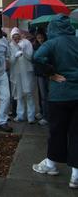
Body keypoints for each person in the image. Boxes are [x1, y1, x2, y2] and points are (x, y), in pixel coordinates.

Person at [32, 14, 78, 189]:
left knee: (57, 130)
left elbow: (36, 58)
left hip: (59, 96)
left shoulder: (52, 43)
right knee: (76, 133)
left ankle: (51, 164)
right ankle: (75, 175)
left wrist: (50, 73)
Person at [9, 27, 36, 124]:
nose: (16, 40)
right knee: (19, 95)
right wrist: (15, 56)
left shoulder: (27, 43)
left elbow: (30, 57)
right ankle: (20, 115)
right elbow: (10, 62)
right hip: (17, 73)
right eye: (14, 38)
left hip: (27, 72)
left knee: (28, 94)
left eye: (18, 37)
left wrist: (23, 51)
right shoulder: (10, 46)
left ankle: (31, 116)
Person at [33, 29, 49, 125]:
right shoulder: (35, 46)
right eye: (38, 38)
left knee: (45, 96)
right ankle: (42, 112)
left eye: (42, 37)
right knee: (40, 94)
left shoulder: (48, 45)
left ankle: (46, 116)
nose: (40, 39)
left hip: (47, 73)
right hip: (39, 73)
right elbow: (33, 59)